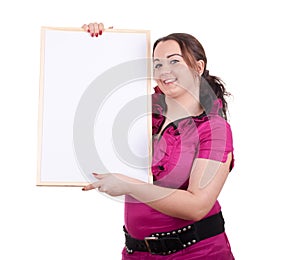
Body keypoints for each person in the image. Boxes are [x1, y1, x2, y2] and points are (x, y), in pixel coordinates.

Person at [82, 22, 235, 259]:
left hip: (197, 253)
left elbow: (198, 206)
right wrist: (97, 40)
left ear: (198, 67)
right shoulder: (143, 112)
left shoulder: (214, 129)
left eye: (174, 61)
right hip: (136, 253)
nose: (165, 70)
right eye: (157, 63)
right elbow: (89, 87)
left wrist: (130, 186)